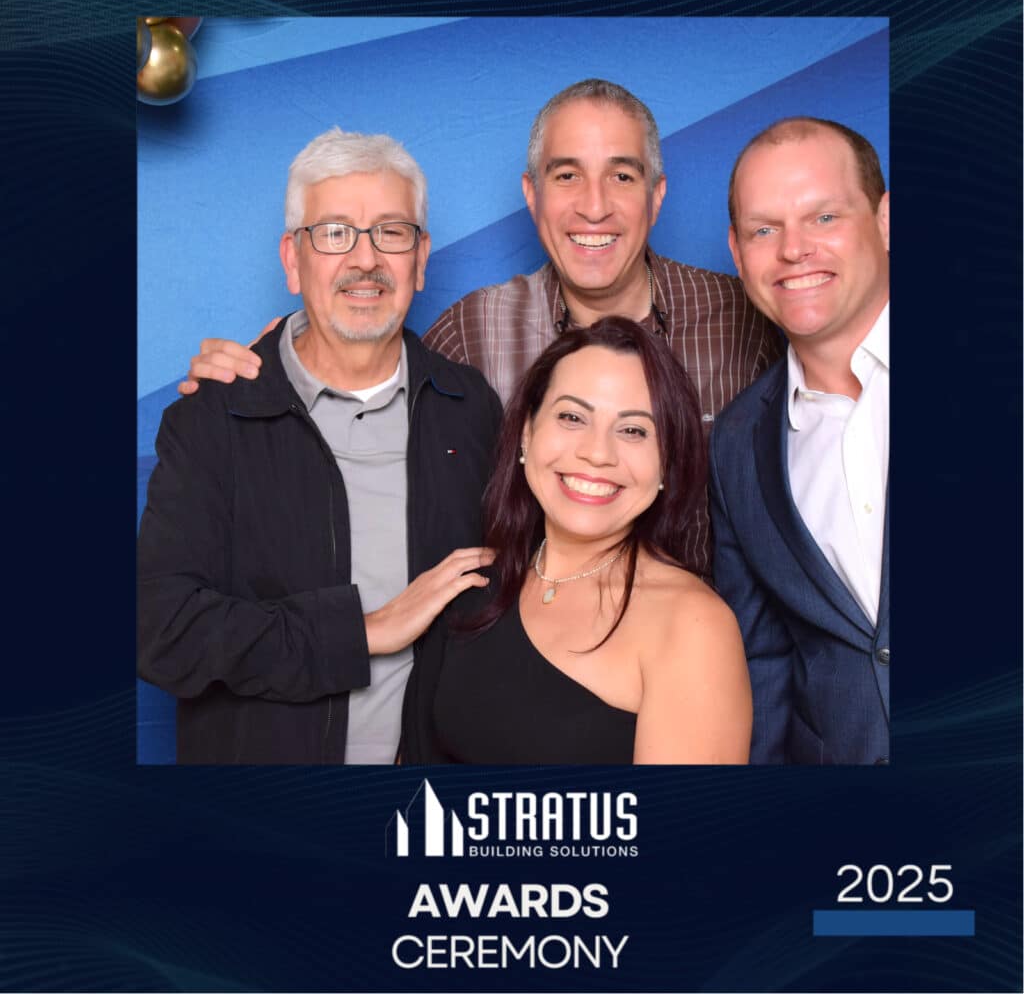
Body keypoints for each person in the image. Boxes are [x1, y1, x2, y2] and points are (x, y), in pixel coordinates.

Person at [176, 80, 783, 580]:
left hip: (703, 677)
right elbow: (364, 382)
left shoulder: (745, 321)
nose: (593, 206)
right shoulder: (473, 331)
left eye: (622, 176)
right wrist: (278, 358)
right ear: (532, 194)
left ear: (656, 196)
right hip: (529, 685)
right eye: (566, 175)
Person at [137, 127, 502, 765]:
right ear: (291, 259)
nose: (364, 259)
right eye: (334, 232)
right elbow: (161, 631)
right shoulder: (212, 421)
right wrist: (361, 634)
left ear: (420, 261)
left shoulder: (470, 411)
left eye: (391, 232)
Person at [402, 317, 752, 765]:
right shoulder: (473, 585)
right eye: (571, 417)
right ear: (527, 433)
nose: (597, 453)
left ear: (667, 462)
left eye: (633, 430)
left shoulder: (694, 625)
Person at [708, 117, 890, 765]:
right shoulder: (734, 447)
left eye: (823, 218)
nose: (792, 250)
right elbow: (761, 663)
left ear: (886, 218)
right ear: (736, 250)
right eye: (764, 229)